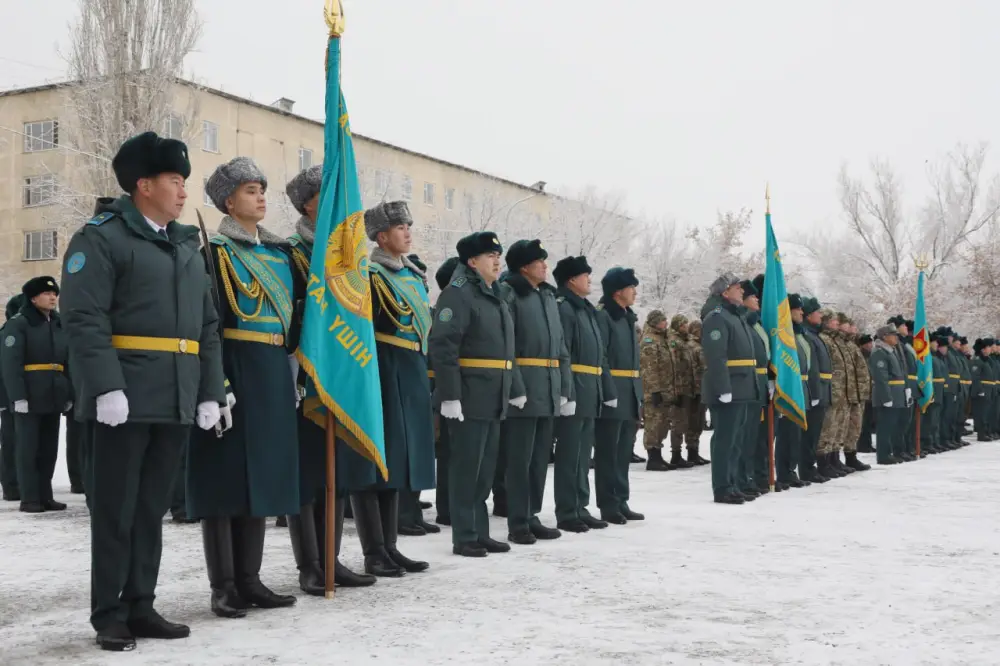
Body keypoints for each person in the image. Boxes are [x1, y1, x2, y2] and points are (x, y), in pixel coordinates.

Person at [60, 131, 226, 651]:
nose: (182, 192)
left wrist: (209, 391)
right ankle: (108, 611)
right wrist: (105, 386)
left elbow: (207, 325)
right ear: (143, 184)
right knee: (115, 508)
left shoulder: (184, 244)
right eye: (175, 181)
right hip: (124, 398)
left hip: (173, 396)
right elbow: (84, 318)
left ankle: (141, 603)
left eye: (183, 182)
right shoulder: (102, 237)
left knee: (151, 507)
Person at [189, 157, 300, 618]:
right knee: (225, 479)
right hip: (233, 366)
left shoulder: (279, 255)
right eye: (251, 190)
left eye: (262, 189)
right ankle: (224, 585)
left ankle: (251, 579)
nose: (260, 197)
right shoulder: (211, 251)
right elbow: (205, 322)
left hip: (273, 369)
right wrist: (218, 385)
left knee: (264, 477)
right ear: (227, 200)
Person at [284, 165, 375, 590]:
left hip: (343, 370)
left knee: (336, 470)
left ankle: (333, 559)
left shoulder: (348, 260)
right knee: (306, 473)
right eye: (328, 197)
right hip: (306, 371)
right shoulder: (290, 253)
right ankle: (310, 565)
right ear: (308, 205)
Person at [341, 201, 433, 575]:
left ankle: (391, 544)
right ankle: (373, 550)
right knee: (375, 461)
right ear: (381, 237)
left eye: (409, 225)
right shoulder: (370, 274)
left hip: (410, 368)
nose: (408, 232)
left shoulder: (412, 276)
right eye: (399, 227)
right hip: (381, 367)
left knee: (399, 461)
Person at [428, 231, 518, 557]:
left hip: (493, 395)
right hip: (469, 395)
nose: (497, 260)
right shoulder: (458, 294)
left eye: (498, 254)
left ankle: (480, 531)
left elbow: (508, 349)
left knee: (484, 471)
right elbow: (443, 345)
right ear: (471, 261)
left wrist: (514, 388)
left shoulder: (495, 295)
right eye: (490, 255)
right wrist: (450, 395)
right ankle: (464, 535)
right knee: (466, 469)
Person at [496, 239, 570, 544]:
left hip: (548, 386)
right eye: (540, 261)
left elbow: (561, 347)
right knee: (520, 459)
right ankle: (517, 520)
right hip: (525, 384)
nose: (545, 266)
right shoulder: (511, 294)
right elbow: (506, 344)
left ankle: (532, 514)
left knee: (540, 458)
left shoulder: (547, 296)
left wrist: (564, 388)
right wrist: (515, 386)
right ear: (524, 266)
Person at [551, 256, 613, 533]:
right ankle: (567, 510)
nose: (589, 279)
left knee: (582, 455)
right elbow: (563, 353)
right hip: (575, 386)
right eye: (585, 275)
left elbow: (599, 355)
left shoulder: (585, 310)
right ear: (571, 280)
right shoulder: (565, 308)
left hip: (590, 387)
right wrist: (567, 392)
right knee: (569, 454)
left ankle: (580, 505)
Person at [1, 276, 72, 513]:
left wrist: (67, 393)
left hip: (52, 393)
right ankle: (29, 497)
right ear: (33, 298)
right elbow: (11, 364)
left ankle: (45, 495)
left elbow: (66, 361)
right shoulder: (19, 324)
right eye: (46, 294)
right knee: (28, 448)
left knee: (48, 448)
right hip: (29, 394)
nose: (53, 297)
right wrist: (17, 396)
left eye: (54, 294)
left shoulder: (58, 323)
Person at [700, 273, 762, 504]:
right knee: (725, 440)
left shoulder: (736, 317)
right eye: (737, 288)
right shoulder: (717, 318)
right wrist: (723, 387)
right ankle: (722, 487)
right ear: (725, 292)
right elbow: (716, 357)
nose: (742, 292)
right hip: (730, 387)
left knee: (737, 440)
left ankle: (733, 483)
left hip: (743, 386)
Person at [594, 267, 644, 523]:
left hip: (629, 391)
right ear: (617, 292)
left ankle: (621, 499)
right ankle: (608, 503)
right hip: (613, 390)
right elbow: (601, 356)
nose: (635, 292)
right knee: (608, 452)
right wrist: (608, 390)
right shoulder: (604, 317)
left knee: (623, 450)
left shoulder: (627, 317)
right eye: (631, 287)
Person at [431, 256, 460, 527]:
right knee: (449, 453)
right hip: (444, 387)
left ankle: (452, 506)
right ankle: (447, 508)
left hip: (452, 386)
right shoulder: (448, 306)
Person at [736, 279, 768, 497]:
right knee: (744, 437)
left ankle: (755, 475)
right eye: (753, 297)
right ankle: (743, 478)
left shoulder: (755, 324)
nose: (757, 300)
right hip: (746, 384)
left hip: (760, 384)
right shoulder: (742, 322)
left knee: (756, 435)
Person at [774, 293, 809, 490]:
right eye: (798, 309)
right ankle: (783, 470)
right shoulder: (786, 333)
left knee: (794, 434)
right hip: (787, 386)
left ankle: (790, 470)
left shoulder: (799, 333)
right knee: (786, 434)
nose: (801, 312)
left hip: (800, 386)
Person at [800, 297, 832, 483]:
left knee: (815, 434)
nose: (820, 316)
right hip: (815, 389)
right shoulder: (807, 335)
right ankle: (806, 469)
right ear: (809, 315)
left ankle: (810, 467)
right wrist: (815, 392)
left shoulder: (814, 335)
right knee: (809, 434)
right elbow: (812, 368)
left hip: (822, 389)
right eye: (817, 313)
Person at [639, 310, 675, 471]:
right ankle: (652, 457)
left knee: (662, 423)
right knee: (653, 423)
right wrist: (654, 390)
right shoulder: (649, 341)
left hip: (665, 389)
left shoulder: (663, 339)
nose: (666, 322)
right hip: (654, 390)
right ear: (655, 322)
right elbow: (649, 367)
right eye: (663, 320)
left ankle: (658, 455)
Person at [817, 311, 851, 479]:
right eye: (833, 320)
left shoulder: (836, 340)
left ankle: (834, 459)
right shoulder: (825, 339)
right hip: (832, 390)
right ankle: (824, 463)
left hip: (842, 391)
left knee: (838, 428)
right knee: (828, 427)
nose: (837, 323)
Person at [667, 314, 703, 468]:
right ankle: (676, 454)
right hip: (681, 388)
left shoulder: (689, 343)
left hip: (695, 388)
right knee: (679, 423)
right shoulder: (676, 343)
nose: (685, 328)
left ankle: (693, 452)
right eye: (683, 325)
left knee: (696, 422)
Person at [869, 325, 907, 465]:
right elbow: (881, 378)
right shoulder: (880, 353)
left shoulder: (891, 351)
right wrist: (886, 398)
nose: (896, 337)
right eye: (893, 335)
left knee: (892, 426)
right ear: (884, 337)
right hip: (887, 395)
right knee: (885, 427)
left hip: (896, 394)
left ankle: (889, 452)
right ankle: (883, 455)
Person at [0, 293, 25, 501]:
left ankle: (19, 484)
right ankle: (10, 485)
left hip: (20, 396)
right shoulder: (7, 333)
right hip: (7, 398)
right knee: (10, 443)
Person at [840, 317, 871, 471]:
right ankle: (830, 460)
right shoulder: (842, 344)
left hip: (856, 392)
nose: (854, 328)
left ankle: (851, 456)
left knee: (855, 427)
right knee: (837, 428)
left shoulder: (852, 345)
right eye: (850, 325)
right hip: (845, 392)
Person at [971, 338, 995, 441]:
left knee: (986, 412)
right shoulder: (977, 361)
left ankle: (985, 432)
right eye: (988, 347)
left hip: (989, 389)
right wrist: (980, 390)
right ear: (983, 350)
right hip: (982, 390)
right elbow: (975, 377)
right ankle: (981, 434)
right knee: (981, 413)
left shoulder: (987, 360)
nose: (990, 349)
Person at [856, 334, 875, 453]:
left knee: (868, 420)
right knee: (862, 421)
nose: (870, 345)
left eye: (871, 343)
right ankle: (862, 444)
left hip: (870, 392)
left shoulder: (871, 356)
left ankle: (867, 443)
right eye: (867, 343)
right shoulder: (860, 356)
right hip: (863, 392)